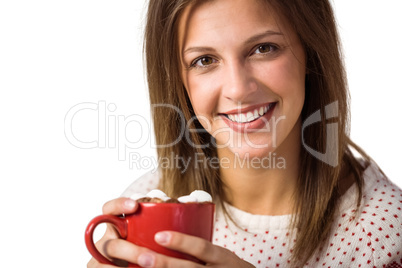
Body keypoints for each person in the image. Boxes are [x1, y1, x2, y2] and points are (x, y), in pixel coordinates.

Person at [87, 0, 402, 267]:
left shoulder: (383, 234)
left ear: (311, 52)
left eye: (264, 48)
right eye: (205, 60)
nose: (238, 89)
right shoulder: (149, 196)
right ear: (179, 82)